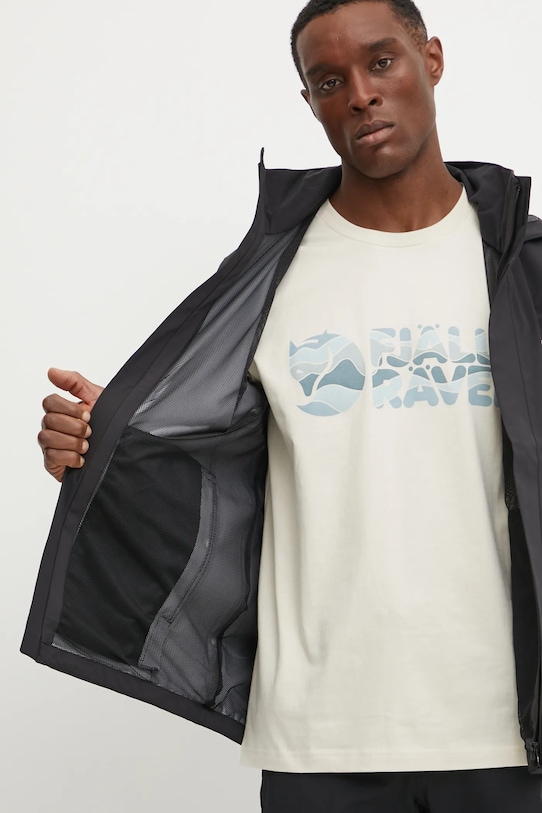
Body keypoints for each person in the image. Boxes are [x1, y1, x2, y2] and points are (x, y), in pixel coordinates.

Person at [26, 0, 542, 811]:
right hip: (319, 733)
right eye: (329, 81)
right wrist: (107, 445)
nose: (361, 95)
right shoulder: (270, 277)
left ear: (432, 60)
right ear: (310, 103)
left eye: (382, 62)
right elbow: (211, 471)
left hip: (507, 730)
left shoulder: (522, 264)